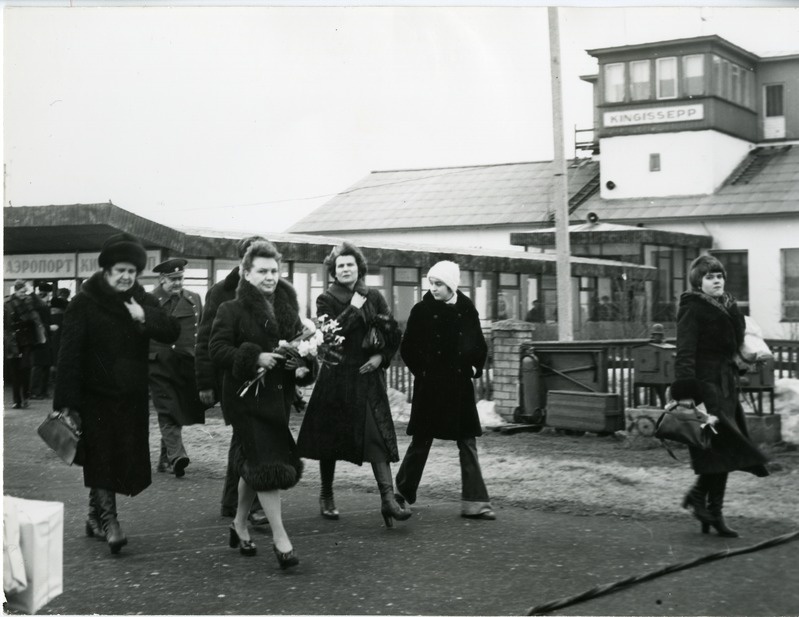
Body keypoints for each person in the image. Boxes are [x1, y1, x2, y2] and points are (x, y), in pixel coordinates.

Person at [53, 233, 180, 554]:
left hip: (130, 396)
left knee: (116, 457)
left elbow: (171, 329)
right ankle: (110, 522)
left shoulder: (139, 299)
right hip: (93, 396)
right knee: (102, 456)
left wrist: (144, 317)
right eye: (120, 270)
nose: (126, 277)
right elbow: (68, 355)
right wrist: (66, 403)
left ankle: (94, 517)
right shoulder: (83, 302)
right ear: (107, 270)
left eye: (132, 271)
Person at [209, 240, 314, 569]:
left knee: (254, 464)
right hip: (245, 400)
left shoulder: (287, 310)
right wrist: (255, 356)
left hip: (276, 400)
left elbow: (301, 350)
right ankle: (281, 540)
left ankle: (239, 524)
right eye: (262, 271)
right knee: (266, 462)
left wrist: (301, 364)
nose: (270, 277)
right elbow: (217, 349)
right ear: (246, 273)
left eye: (274, 271)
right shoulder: (231, 309)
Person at [297, 242, 411, 528]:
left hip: (368, 377)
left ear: (359, 267)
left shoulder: (374, 296)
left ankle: (388, 500)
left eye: (350, 264)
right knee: (329, 439)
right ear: (334, 272)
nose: (345, 269)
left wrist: (380, 357)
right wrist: (353, 308)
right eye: (340, 266)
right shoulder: (325, 298)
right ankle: (326, 494)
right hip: (337, 377)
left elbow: (393, 333)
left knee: (376, 436)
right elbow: (329, 337)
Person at [671, 255, 769, 538]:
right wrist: (687, 391)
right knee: (723, 443)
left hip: (725, 384)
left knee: (720, 447)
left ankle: (707, 507)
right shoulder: (693, 308)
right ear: (698, 282)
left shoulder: (729, 306)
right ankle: (706, 505)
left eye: (719, 276)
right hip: (705, 385)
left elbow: (734, 345)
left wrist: (745, 359)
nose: (717, 281)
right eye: (710, 277)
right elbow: (686, 351)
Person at [395, 260, 495, 520]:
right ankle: (401, 496)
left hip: (458, 387)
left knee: (467, 441)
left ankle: (476, 503)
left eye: (439, 283)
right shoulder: (421, 310)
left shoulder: (466, 309)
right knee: (421, 440)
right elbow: (408, 348)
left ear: (451, 285)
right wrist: (423, 372)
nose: (434, 288)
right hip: (430, 388)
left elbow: (479, 345)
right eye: (431, 283)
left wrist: (474, 369)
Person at [195, 235, 269, 525]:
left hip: (265, 379)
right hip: (233, 379)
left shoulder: (270, 289)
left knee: (244, 438)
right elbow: (205, 341)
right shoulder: (221, 293)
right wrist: (204, 383)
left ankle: (232, 501)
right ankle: (251, 506)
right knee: (249, 437)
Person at [149, 258, 207, 478]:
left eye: (180, 278)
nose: (178, 283)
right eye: (173, 280)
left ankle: (165, 458)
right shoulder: (150, 301)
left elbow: (199, 332)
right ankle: (177, 456)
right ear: (162, 279)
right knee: (166, 409)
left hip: (184, 363)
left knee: (177, 409)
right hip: (158, 363)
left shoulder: (195, 299)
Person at [4, 280, 45, 409]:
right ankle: (17, 400)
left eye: (24, 291)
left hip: (26, 340)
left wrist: (32, 292)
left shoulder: (29, 301)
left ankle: (25, 397)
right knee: (15, 372)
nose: (23, 294)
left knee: (25, 369)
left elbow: (42, 305)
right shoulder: (7, 304)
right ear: (15, 291)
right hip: (13, 341)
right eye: (21, 292)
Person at [30, 283, 55, 399]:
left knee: (41, 365)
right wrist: (49, 328)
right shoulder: (42, 306)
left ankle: (38, 391)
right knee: (41, 365)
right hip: (42, 338)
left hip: (40, 338)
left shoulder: (36, 305)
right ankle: (38, 391)